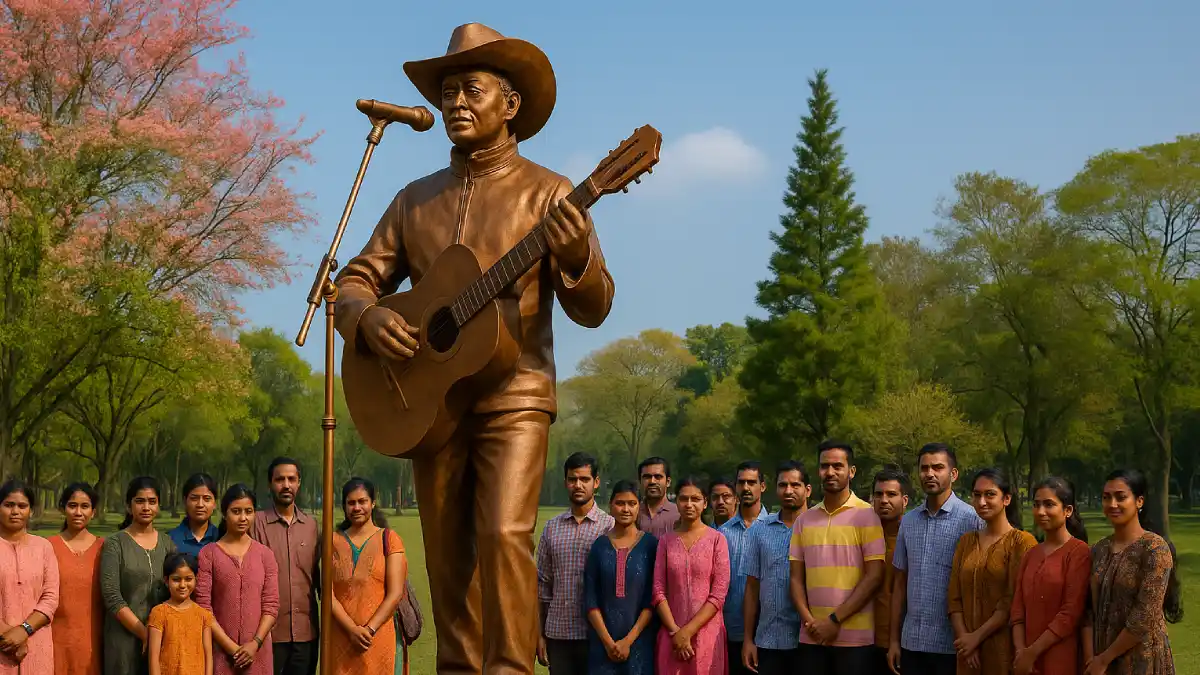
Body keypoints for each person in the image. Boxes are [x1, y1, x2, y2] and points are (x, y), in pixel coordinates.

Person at [332, 22, 614, 674]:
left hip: (516, 390)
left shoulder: (549, 192)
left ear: (510, 104)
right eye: (447, 91)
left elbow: (595, 305)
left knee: (504, 535)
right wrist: (366, 318)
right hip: (430, 404)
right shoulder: (414, 200)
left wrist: (574, 257)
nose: (455, 102)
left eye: (471, 89)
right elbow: (355, 279)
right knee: (447, 553)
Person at [789, 440, 885, 674]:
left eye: (837, 466)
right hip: (811, 637)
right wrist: (811, 622)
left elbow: (874, 576)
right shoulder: (804, 520)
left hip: (855, 640)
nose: (830, 472)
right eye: (824, 466)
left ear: (851, 471)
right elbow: (795, 579)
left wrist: (834, 620)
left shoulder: (867, 516)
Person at [888, 443, 983, 675]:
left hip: (954, 644)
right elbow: (899, 584)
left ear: (953, 474)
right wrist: (893, 640)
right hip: (912, 642)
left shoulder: (972, 520)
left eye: (937, 467)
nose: (929, 474)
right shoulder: (908, 522)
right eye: (924, 468)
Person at [1082, 468, 1181, 675]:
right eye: (1106, 497)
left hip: (1141, 659)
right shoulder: (1099, 550)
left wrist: (1105, 658)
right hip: (1100, 660)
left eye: (1121, 497)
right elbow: (1088, 609)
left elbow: (1144, 616)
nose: (1112, 504)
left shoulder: (1154, 548)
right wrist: (1092, 659)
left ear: (1139, 502)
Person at [948, 468, 1036, 675]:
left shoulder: (1022, 542)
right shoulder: (966, 541)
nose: (981, 501)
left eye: (990, 494)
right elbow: (954, 598)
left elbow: (1011, 601)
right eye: (977, 495)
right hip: (967, 654)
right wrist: (965, 643)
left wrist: (976, 638)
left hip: (1002, 647)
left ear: (1006, 499)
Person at [536, 452, 616, 674]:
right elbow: (542, 585)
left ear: (596, 483)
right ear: (566, 483)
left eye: (584, 479)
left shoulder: (610, 527)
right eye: (573, 479)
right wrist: (539, 635)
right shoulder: (552, 528)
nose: (578, 485)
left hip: (598, 635)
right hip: (558, 633)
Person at [327, 478, 408, 675]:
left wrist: (368, 629)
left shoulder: (389, 539)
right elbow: (327, 594)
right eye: (351, 503)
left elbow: (395, 593)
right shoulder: (332, 541)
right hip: (341, 637)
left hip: (379, 636)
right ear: (344, 506)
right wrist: (352, 630)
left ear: (372, 503)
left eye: (362, 501)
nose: (357, 507)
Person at [1010, 476, 1090, 675]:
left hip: (1060, 655)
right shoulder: (1031, 554)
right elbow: (1017, 610)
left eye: (1049, 504)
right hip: (1025, 661)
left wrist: (1033, 652)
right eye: (1036, 505)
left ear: (1068, 511)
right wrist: (1021, 652)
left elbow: (1070, 613)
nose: (1041, 511)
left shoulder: (1078, 552)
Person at [196, 484, 279, 675]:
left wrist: (255, 644)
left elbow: (271, 605)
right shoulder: (209, 554)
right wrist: (232, 649)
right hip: (221, 652)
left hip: (258, 652)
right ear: (224, 513)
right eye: (236, 511)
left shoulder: (265, 555)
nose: (243, 518)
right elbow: (203, 608)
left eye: (248, 511)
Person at [652, 477, 730, 675]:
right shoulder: (665, 541)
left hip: (707, 636)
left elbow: (719, 594)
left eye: (695, 499)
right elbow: (658, 590)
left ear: (705, 503)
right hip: (672, 635)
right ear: (676, 501)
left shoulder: (717, 540)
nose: (689, 504)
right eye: (683, 499)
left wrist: (687, 631)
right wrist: (675, 632)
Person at [101, 476, 178, 675]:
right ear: (129, 506)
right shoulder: (114, 544)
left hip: (162, 637)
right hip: (123, 639)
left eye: (152, 502)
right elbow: (112, 597)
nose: (146, 507)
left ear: (159, 506)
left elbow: (177, 589)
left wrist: (158, 636)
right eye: (140, 501)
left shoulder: (168, 544)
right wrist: (145, 634)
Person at [252, 457, 320, 675]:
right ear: (270, 484)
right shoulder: (255, 523)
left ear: (299, 483)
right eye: (280, 479)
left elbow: (320, 579)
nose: (286, 485)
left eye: (292, 479)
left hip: (305, 632)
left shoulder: (311, 526)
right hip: (266, 632)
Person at [584, 480, 658, 675]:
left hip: (640, 646)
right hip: (603, 647)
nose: (626, 509)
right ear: (611, 505)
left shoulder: (651, 546)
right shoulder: (599, 546)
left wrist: (627, 642)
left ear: (639, 507)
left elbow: (652, 600)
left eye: (632, 503)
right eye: (620, 503)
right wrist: (609, 643)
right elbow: (590, 601)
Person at [742, 460, 808, 675]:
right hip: (768, 639)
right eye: (782, 485)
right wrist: (748, 639)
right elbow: (752, 589)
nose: (788, 491)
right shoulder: (759, 531)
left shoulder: (818, 528)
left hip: (809, 640)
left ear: (807, 490)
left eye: (795, 485)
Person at [0, 479, 59, 675]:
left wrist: (24, 630)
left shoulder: (43, 547)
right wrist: (10, 637)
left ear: (31, 510)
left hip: (36, 644)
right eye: (9, 505)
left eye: (22, 506)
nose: (15, 511)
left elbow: (50, 598)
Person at [718, 460, 770, 675]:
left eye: (752, 482)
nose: (746, 487)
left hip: (770, 632)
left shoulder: (777, 529)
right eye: (741, 482)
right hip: (731, 631)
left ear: (763, 486)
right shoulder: (722, 534)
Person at [49, 482, 104, 675]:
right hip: (55, 639)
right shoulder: (47, 547)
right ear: (63, 508)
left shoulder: (105, 548)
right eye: (72, 506)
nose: (78, 512)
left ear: (94, 512)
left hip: (94, 638)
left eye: (85, 506)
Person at [147, 552, 216, 675]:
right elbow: (153, 657)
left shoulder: (204, 615)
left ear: (196, 579)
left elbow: (208, 656)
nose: (183, 585)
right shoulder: (159, 613)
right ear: (166, 581)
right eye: (176, 580)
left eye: (188, 579)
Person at [869, 467, 908, 674]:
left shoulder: (911, 538)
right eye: (878, 494)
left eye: (891, 494)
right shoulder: (861, 535)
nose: (884, 500)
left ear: (905, 500)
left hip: (899, 640)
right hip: (860, 637)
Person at [168, 473, 219, 557]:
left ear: (214, 503)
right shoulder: (170, 540)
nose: (200, 505)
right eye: (194, 498)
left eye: (207, 499)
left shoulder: (222, 538)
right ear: (185, 501)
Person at [638, 457, 679, 537]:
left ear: (668, 482)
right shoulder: (633, 514)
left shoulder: (679, 515)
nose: (652, 481)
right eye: (647, 477)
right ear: (640, 481)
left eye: (658, 477)